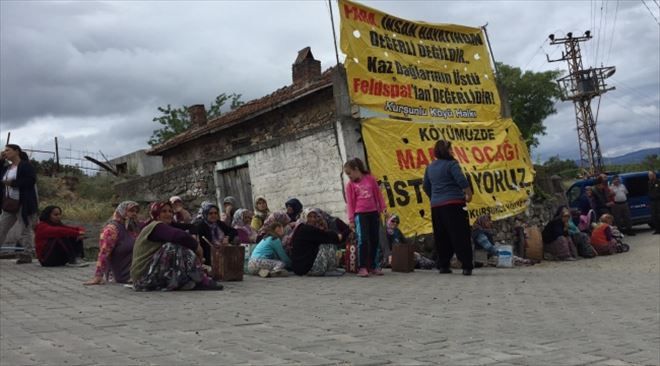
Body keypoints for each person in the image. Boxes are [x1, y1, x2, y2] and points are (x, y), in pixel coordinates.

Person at [130, 201, 222, 291]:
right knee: (172, 247)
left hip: (149, 274)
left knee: (176, 245)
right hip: (143, 277)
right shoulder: (155, 226)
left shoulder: (164, 226)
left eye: (170, 211)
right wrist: (198, 248)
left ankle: (187, 280)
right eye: (164, 211)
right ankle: (200, 278)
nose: (168, 214)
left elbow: (189, 227)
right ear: (156, 214)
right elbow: (179, 236)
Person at [423, 140, 474, 276]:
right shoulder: (452, 164)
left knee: (441, 236)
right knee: (460, 235)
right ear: (446, 151)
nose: (453, 151)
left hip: (436, 206)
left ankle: (443, 265)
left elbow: (426, 186)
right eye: (451, 149)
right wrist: (469, 194)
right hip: (454, 204)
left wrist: (434, 197)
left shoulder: (430, 167)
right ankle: (466, 266)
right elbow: (461, 180)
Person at [344, 157, 387, 277]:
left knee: (375, 239)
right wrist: (351, 220)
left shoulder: (370, 179)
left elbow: (378, 195)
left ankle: (374, 266)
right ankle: (362, 267)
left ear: (357, 169)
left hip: (373, 213)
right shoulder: (350, 185)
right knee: (363, 240)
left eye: (349, 173)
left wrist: (383, 208)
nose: (349, 176)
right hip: (360, 215)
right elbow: (350, 204)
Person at [84, 201, 140, 285]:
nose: (134, 214)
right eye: (131, 211)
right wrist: (98, 276)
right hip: (121, 273)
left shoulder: (132, 227)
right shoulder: (112, 229)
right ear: (122, 211)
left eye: (136, 211)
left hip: (134, 270)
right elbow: (104, 253)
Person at [0, 144, 39, 264]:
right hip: (9, 202)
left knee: (24, 228)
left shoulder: (25, 165)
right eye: (4, 150)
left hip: (22, 202)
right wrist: (0, 161)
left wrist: (13, 183)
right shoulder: (7, 167)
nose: (5, 152)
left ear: (16, 151)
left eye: (8, 150)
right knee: (2, 227)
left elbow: (31, 180)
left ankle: (26, 254)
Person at [289, 208, 343, 276]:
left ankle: (330, 268)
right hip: (304, 268)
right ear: (304, 217)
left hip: (300, 267)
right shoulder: (306, 229)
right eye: (309, 217)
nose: (313, 219)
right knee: (328, 244)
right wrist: (338, 236)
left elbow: (321, 234)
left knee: (325, 241)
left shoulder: (301, 227)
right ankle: (330, 269)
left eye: (314, 217)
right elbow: (326, 236)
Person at [195, 202, 237, 266]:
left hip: (223, 251)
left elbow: (233, 231)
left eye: (215, 213)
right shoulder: (200, 226)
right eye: (210, 213)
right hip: (209, 256)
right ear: (205, 214)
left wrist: (228, 238)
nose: (213, 215)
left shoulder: (219, 224)